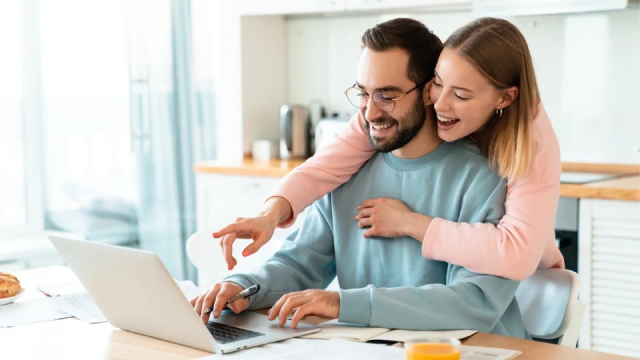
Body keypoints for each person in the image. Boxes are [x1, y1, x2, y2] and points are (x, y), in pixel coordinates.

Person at [193, 18, 526, 339]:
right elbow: (298, 263)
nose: (370, 112)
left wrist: (342, 303)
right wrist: (243, 287)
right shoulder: (348, 168)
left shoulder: (485, 178)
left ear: (430, 92)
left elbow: (472, 302)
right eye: (364, 93)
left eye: (387, 95)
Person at [215, 17, 564, 280]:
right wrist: (269, 216)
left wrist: (411, 223)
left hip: (526, 283)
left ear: (504, 98)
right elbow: (323, 168)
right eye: (437, 85)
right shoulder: (385, 115)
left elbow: (516, 255)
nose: (439, 104)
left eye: (460, 95)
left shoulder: (531, 147)